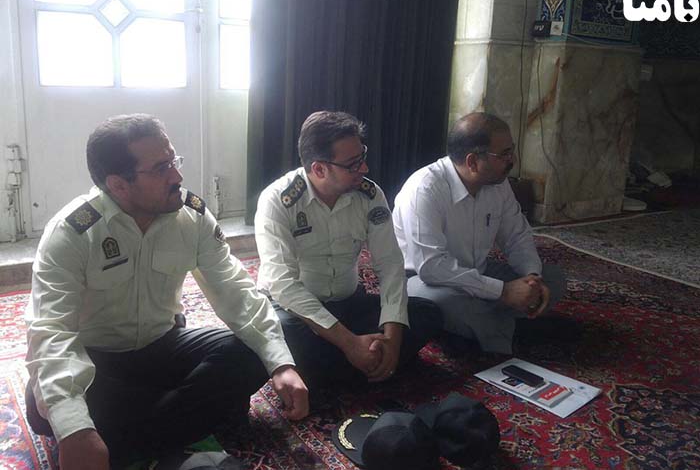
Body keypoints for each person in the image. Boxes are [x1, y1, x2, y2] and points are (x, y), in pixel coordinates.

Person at [25, 114, 308, 470]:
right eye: (161, 169)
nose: (177, 176)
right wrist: (74, 428)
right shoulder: (72, 233)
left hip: (162, 347)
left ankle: (129, 442)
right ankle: (175, 430)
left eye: (174, 161)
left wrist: (282, 364)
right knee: (47, 409)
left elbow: (235, 289)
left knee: (251, 354)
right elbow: (50, 332)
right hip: (96, 362)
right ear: (119, 185)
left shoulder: (192, 216)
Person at [254, 111, 441, 390]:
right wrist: (350, 343)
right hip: (295, 313)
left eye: (362, 156)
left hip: (348, 302)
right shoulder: (278, 200)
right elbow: (283, 285)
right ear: (319, 169)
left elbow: (390, 264)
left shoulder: (370, 195)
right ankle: (361, 364)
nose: (364, 168)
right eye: (353, 164)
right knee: (276, 339)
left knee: (427, 313)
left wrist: (392, 338)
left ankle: (348, 368)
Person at [392, 112, 566, 355]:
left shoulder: (498, 183)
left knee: (553, 278)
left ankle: (479, 330)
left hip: (478, 272)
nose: (513, 160)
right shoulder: (424, 189)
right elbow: (431, 267)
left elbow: (516, 235)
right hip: (424, 281)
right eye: (504, 154)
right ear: (472, 162)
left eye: (512, 151)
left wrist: (532, 278)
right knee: (441, 304)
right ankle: (507, 332)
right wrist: (503, 292)